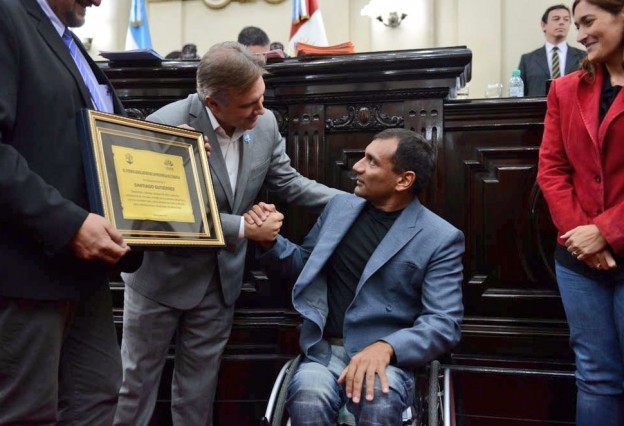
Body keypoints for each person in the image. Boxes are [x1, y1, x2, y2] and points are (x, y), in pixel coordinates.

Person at [113, 41, 342, 426]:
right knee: (135, 385)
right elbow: (161, 213)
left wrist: (351, 203)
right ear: (212, 103)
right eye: (249, 104)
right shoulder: (165, 124)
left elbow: (288, 181)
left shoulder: (264, 123)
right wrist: (245, 228)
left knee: (198, 390)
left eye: (261, 98)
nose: (261, 110)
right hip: (160, 279)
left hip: (221, 281)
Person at [250, 129, 465, 424]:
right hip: (325, 353)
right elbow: (305, 267)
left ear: (404, 180)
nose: (357, 166)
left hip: (386, 360)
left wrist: (388, 348)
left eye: (372, 161)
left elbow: (443, 322)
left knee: (376, 394)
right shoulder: (339, 208)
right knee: (308, 395)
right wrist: (269, 241)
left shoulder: (440, 237)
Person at [0, 0, 137, 424]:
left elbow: (88, 137)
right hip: (25, 274)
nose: (99, 1)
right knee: (26, 413)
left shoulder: (68, 41)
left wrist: (163, 148)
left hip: (86, 275)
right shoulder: (8, 17)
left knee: (98, 401)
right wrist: (69, 224)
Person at [537, 0, 624, 424]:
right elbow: (552, 170)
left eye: (589, 22)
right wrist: (583, 238)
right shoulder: (565, 89)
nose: (580, 34)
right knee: (594, 377)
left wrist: (606, 230)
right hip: (578, 261)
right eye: (577, 24)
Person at [518, 4, 586, 96]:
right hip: (538, 105)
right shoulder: (528, 60)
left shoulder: (583, 56)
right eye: (556, 19)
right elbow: (519, 95)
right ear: (543, 25)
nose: (561, 22)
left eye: (566, 19)